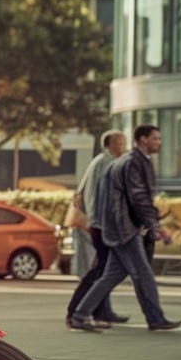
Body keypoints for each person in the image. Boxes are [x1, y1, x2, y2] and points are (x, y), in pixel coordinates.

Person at [69, 125, 180, 332]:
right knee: (143, 273)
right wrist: (154, 226)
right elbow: (138, 198)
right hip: (124, 229)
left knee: (111, 275)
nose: (159, 142)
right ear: (143, 139)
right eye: (155, 139)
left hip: (120, 226)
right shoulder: (132, 163)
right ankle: (155, 318)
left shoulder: (133, 161)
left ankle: (80, 315)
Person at [64, 129, 130, 329]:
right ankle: (76, 311)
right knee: (99, 271)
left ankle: (102, 312)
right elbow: (97, 195)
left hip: (98, 223)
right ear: (111, 144)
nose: (124, 146)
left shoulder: (101, 161)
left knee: (103, 270)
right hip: (101, 224)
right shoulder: (105, 163)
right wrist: (98, 222)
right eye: (121, 142)